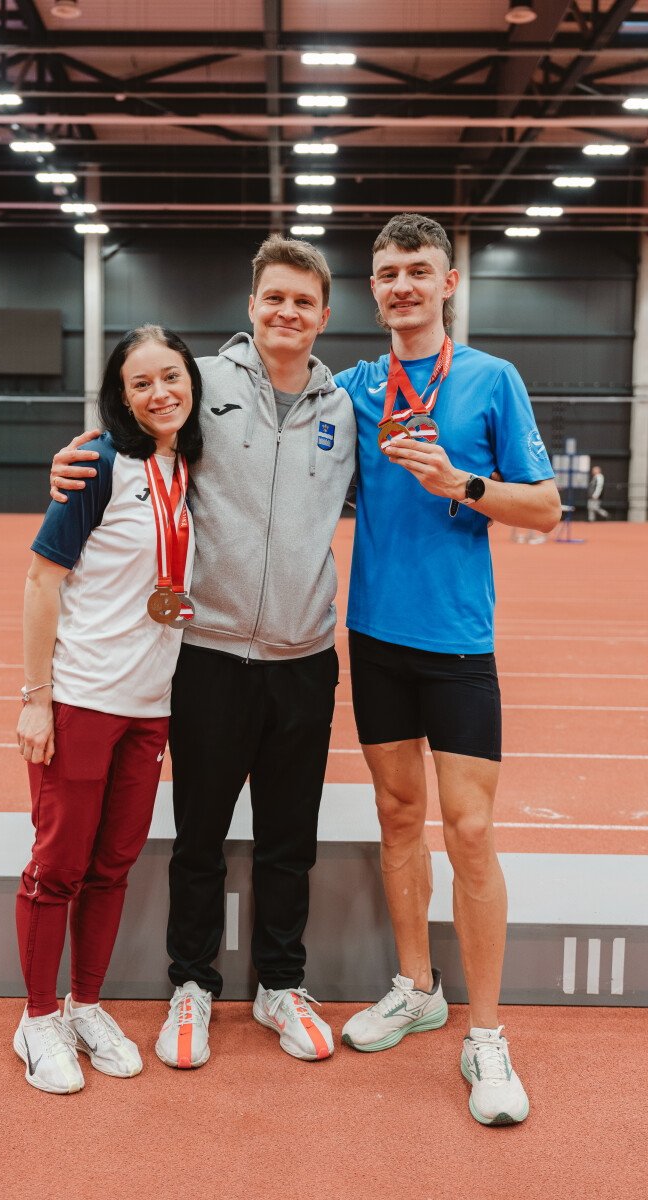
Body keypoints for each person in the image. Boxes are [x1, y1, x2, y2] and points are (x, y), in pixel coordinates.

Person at [48, 237, 356, 1068]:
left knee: (290, 839)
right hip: (209, 655)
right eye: (274, 297)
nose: (288, 311)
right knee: (200, 838)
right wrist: (74, 462)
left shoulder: (346, 409)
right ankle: (191, 984)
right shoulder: (203, 383)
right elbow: (132, 420)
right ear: (251, 306)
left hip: (304, 658)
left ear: (325, 315)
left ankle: (281, 984)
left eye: (304, 301)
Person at [335, 213, 561, 1126]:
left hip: (460, 641)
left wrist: (461, 483)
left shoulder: (492, 380)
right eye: (388, 272)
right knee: (397, 817)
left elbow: (545, 509)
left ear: (448, 282)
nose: (402, 286)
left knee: (468, 831)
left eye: (418, 271)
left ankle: (487, 1034)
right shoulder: (352, 387)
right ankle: (417, 987)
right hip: (375, 637)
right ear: (374, 288)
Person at [13, 325, 203, 1094]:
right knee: (57, 867)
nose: (160, 393)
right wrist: (36, 700)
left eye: (172, 376)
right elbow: (41, 580)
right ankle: (36, 1020)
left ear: (193, 380)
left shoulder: (192, 465)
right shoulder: (96, 463)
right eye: (141, 383)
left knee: (112, 866)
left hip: (150, 708)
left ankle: (85, 1005)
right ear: (119, 397)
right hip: (82, 700)